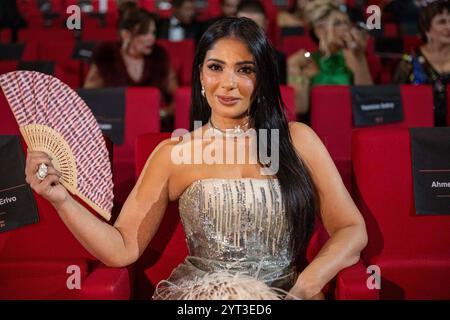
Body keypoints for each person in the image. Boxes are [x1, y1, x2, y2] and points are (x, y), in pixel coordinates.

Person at [25, 17, 368, 300]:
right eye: (216, 67)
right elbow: (123, 248)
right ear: (201, 76)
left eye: (244, 70)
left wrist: (305, 287)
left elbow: (351, 230)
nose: (228, 84)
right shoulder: (174, 154)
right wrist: (61, 200)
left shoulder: (299, 141)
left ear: (261, 77)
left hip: (284, 293)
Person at [84, 3, 178, 130]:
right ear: (126, 35)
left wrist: (162, 113)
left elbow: (178, 98)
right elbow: (89, 97)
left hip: (153, 127)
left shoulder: (159, 57)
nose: (151, 38)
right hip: (117, 128)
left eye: (153, 32)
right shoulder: (107, 57)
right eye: (144, 33)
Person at [287, 0, 373, 119]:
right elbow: (301, 107)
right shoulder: (307, 61)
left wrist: (359, 56)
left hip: (351, 123)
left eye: (346, 23)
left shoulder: (353, 57)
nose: (346, 28)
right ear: (319, 30)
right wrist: (293, 69)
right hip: (316, 127)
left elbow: (367, 101)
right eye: (338, 23)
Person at [393, 0, 450, 127]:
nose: (449, 27)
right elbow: (395, 101)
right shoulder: (409, 62)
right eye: (442, 22)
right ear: (426, 29)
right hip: (420, 131)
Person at [236, 0, 287, 84]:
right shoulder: (220, 55)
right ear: (233, 26)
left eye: (255, 28)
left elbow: (279, 94)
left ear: (266, 25)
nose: (249, 34)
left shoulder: (277, 59)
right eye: (244, 28)